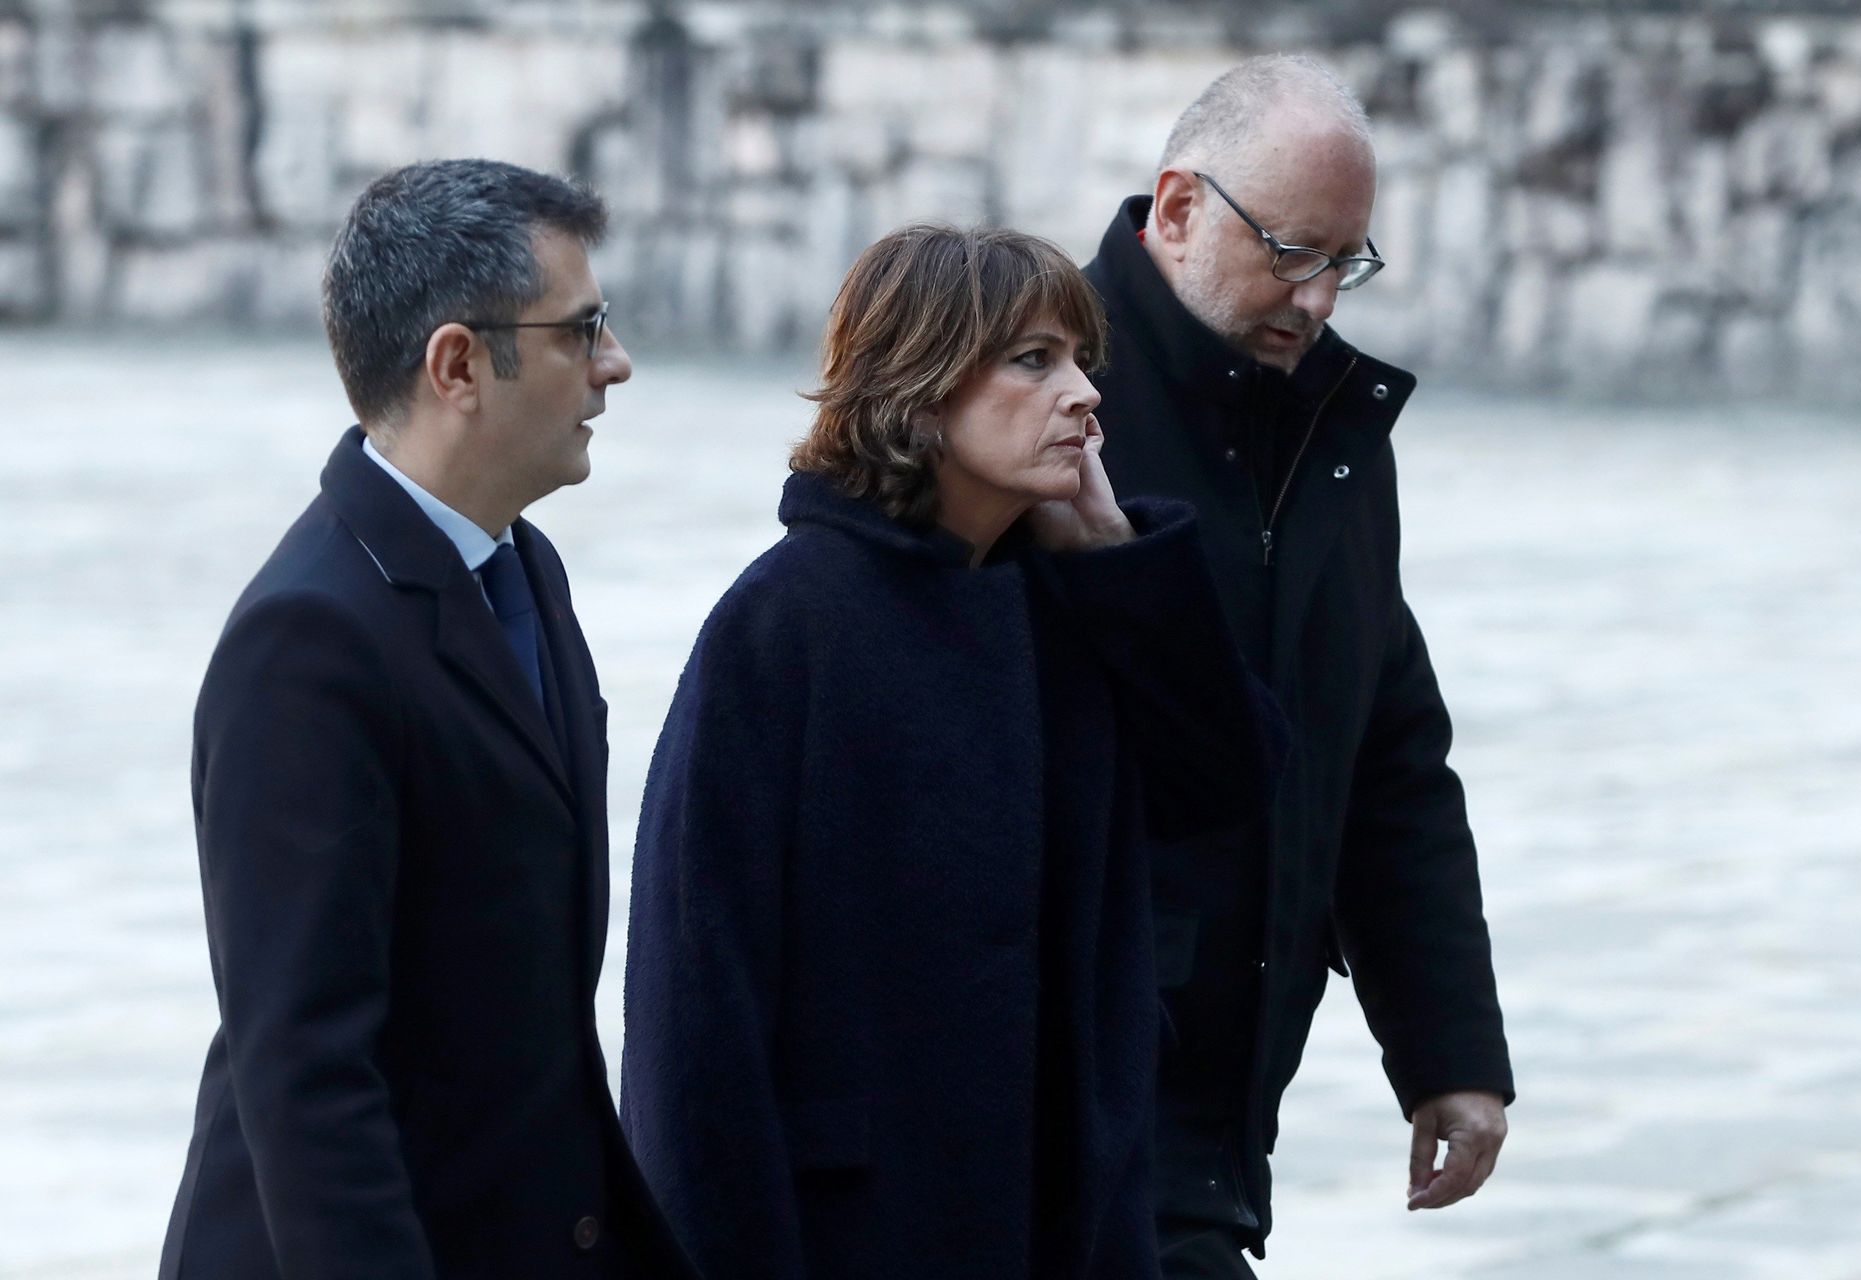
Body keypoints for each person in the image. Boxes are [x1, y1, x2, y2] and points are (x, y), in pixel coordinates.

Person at [619, 224, 1285, 1280]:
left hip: (1078, 1222)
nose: (1084, 394)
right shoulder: (783, 625)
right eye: (1034, 360)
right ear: (920, 388)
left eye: (1082, 360)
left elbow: (1231, 789)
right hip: (858, 1231)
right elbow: (694, 1017)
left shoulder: (1076, 605)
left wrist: (1121, 562)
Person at [159, 159, 694, 1279]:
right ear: (459, 365)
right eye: (581, 330)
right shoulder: (305, 641)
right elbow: (307, 1077)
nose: (615, 362)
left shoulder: (527, 567)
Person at [1081, 54, 1517, 1276]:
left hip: (1220, 1121)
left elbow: (1387, 748)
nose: (1318, 298)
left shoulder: (1332, 423)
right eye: (1289, 252)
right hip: (1062, 1100)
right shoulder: (1046, 391)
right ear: (1178, 207)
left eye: (1345, 261)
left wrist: (1448, 1049)